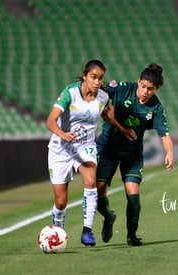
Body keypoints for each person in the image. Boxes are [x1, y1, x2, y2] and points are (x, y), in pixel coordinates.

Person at [96, 63, 174, 246]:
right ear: (138, 82)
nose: (146, 92)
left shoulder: (155, 108)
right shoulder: (122, 89)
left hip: (132, 153)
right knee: (98, 193)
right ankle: (108, 216)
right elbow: (98, 86)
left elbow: (165, 134)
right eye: (143, 86)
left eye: (151, 89)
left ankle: (132, 235)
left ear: (156, 89)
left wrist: (169, 152)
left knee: (133, 193)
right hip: (108, 148)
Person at [46, 59, 116, 247]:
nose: (97, 82)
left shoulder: (102, 97)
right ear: (84, 76)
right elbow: (50, 121)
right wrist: (63, 134)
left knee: (91, 180)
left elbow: (108, 115)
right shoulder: (70, 92)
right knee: (60, 202)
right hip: (61, 148)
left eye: (100, 78)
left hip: (85, 146)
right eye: (93, 77)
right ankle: (57, 234)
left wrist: (123, 130)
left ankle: (87, 231)